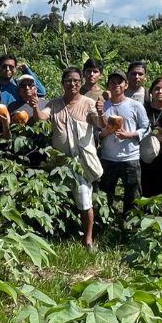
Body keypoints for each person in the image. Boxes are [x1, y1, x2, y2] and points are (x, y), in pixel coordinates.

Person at [36, 67, 105, 250]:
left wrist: (100, 113)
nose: (72, 84)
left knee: (83, 197)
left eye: (76, 80)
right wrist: (35, 104)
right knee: (57, 196)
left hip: (80, 162)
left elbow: (98, 123)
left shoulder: (89, 102)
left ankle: (88, 239)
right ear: (62, 83)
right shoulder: (55, 103)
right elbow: (42, 117)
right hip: (58, 161)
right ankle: (61, 234)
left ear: (81, 83)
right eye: (68, 80)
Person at [99, 70, 149, 220]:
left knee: (133, 196)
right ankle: (106, 223)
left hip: (130, 158)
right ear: (108, 86)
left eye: (119, 82)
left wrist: (130, 134)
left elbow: (146, 127)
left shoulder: (135, 105)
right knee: (106, 194)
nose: (116, 85)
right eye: (112, 82)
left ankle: (130, 226)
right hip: (108, 158)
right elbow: (97, 132)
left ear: (126, 85)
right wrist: (105, 132)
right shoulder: (103, 107)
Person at [141, 77, 162, 197]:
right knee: (145, 192)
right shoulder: (144, 108)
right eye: (157, 88)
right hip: (146, 157)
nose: (160, 91)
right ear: (151, 91)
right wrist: (156, 132)